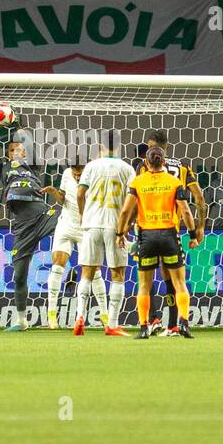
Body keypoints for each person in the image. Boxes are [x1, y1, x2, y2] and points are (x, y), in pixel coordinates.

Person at [0, 114, 66, 332]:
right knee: (19, 276)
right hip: (22, 227)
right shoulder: (2, 168)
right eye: (11, 149)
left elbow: (28, 142)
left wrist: (19, 127)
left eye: (19, 148)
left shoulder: (33, 164)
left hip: (43, 214)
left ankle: (78, 268)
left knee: (71, 223)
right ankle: (21, 320)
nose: (16, 151)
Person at [116, 147, 199, 340]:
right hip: (169, 235)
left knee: (144, 285)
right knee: (180, 283)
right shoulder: (174, 182)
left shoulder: (138, 182)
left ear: (146, 163)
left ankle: (144, 327)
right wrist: (193, 235)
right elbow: (186, 211)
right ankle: (183, 324)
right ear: (163, 162)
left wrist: (120, 233)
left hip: (147, 237)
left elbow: (125, 211)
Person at [134, 129, 206, 334]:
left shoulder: (144, 167)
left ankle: (152, 320)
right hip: (171, 230)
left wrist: (130, 231)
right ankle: (174, 324)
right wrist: (200, 227)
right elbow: (199, 199)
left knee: (145, 278)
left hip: (147, 230)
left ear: (155, 147)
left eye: (149, 147)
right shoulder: (182, 167)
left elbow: (136, 199)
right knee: (173, 276)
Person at [74, 135, 136, 336]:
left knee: (87, 273)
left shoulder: (90, 167)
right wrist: (128, 224)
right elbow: (133, 200)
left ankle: (79, 318)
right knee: (117, 274)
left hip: (91, 224)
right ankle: (112, 324)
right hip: (114, 225)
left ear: (100, 146)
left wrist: (84, 215)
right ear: (119, 145)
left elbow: (80, 194)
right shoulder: (127, 169)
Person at [46, 163, 84, 331]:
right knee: (57, 267)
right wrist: (55, 193)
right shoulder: (67, 173)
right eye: (74, 172)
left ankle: (103, 317)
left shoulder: (93, 175)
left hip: (85, 228)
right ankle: (52, 316)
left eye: (79, 173)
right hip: (66, 225)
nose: (76, 176)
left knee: (93, 271)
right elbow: (63, 198)